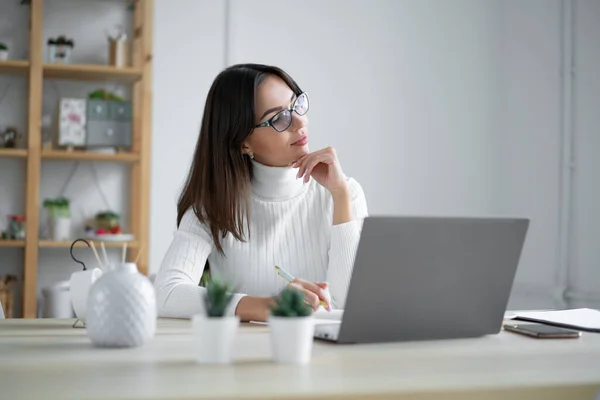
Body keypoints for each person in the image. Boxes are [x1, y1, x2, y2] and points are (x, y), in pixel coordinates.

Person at [154, 63, 368, 322]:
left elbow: (352, 305)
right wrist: (269, 306)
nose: (299, 122)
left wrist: (340, 194)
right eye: (278, 117)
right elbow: (166, 293)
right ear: (243, 142)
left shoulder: (344, 193)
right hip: (245, 357)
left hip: (325, 357)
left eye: (296, 105)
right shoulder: (211, 207)